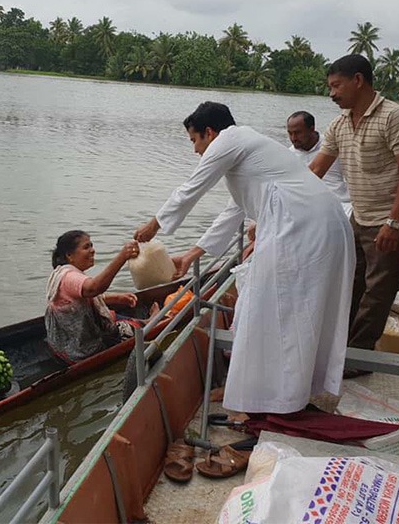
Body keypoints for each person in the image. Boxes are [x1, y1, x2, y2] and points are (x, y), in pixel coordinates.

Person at [135, 102, 355, 414]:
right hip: (308, 223)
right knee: (277, 307)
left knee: (272, 306)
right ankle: (278, 391)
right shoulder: (245, 147)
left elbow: (191, 188)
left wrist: (154, 225)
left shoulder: (228, 141)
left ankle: (277, 396)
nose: (196, 150)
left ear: (210, 133)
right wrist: (193, 254)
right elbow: (235, 210)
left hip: (302, 226)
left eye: (194, 141)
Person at [310, 54, 399, 353]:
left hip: (390, 217)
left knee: (377, 290)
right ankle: (340, 344)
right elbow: (317, 170)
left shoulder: (394, 116)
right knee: (350, 279)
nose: (331, 94)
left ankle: (359, 356)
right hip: (359, 214)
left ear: (358, 80)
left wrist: (394, 223)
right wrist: (280, 199)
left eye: (336, 86)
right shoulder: (339, 124)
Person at [45, 230, 157, 363]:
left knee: (111, 315)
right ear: (69, 255)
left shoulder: (62, 273)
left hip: (64, 343)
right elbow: (93, 288)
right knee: (125, 328)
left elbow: (81, 299)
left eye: (91, 245)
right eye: (86, 247)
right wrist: (122, 257)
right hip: (80, 349)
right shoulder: (69, 277)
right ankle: (149, 322)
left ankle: (145, 322)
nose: (92, 250)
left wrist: (116, 298)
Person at [286, 110, 352, 218]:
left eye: (298, 133)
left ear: (311, 129)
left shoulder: (332, 145)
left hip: (342, 204)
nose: (293, 138)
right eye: (290, 133)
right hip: (308, 206)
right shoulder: (289, 155)